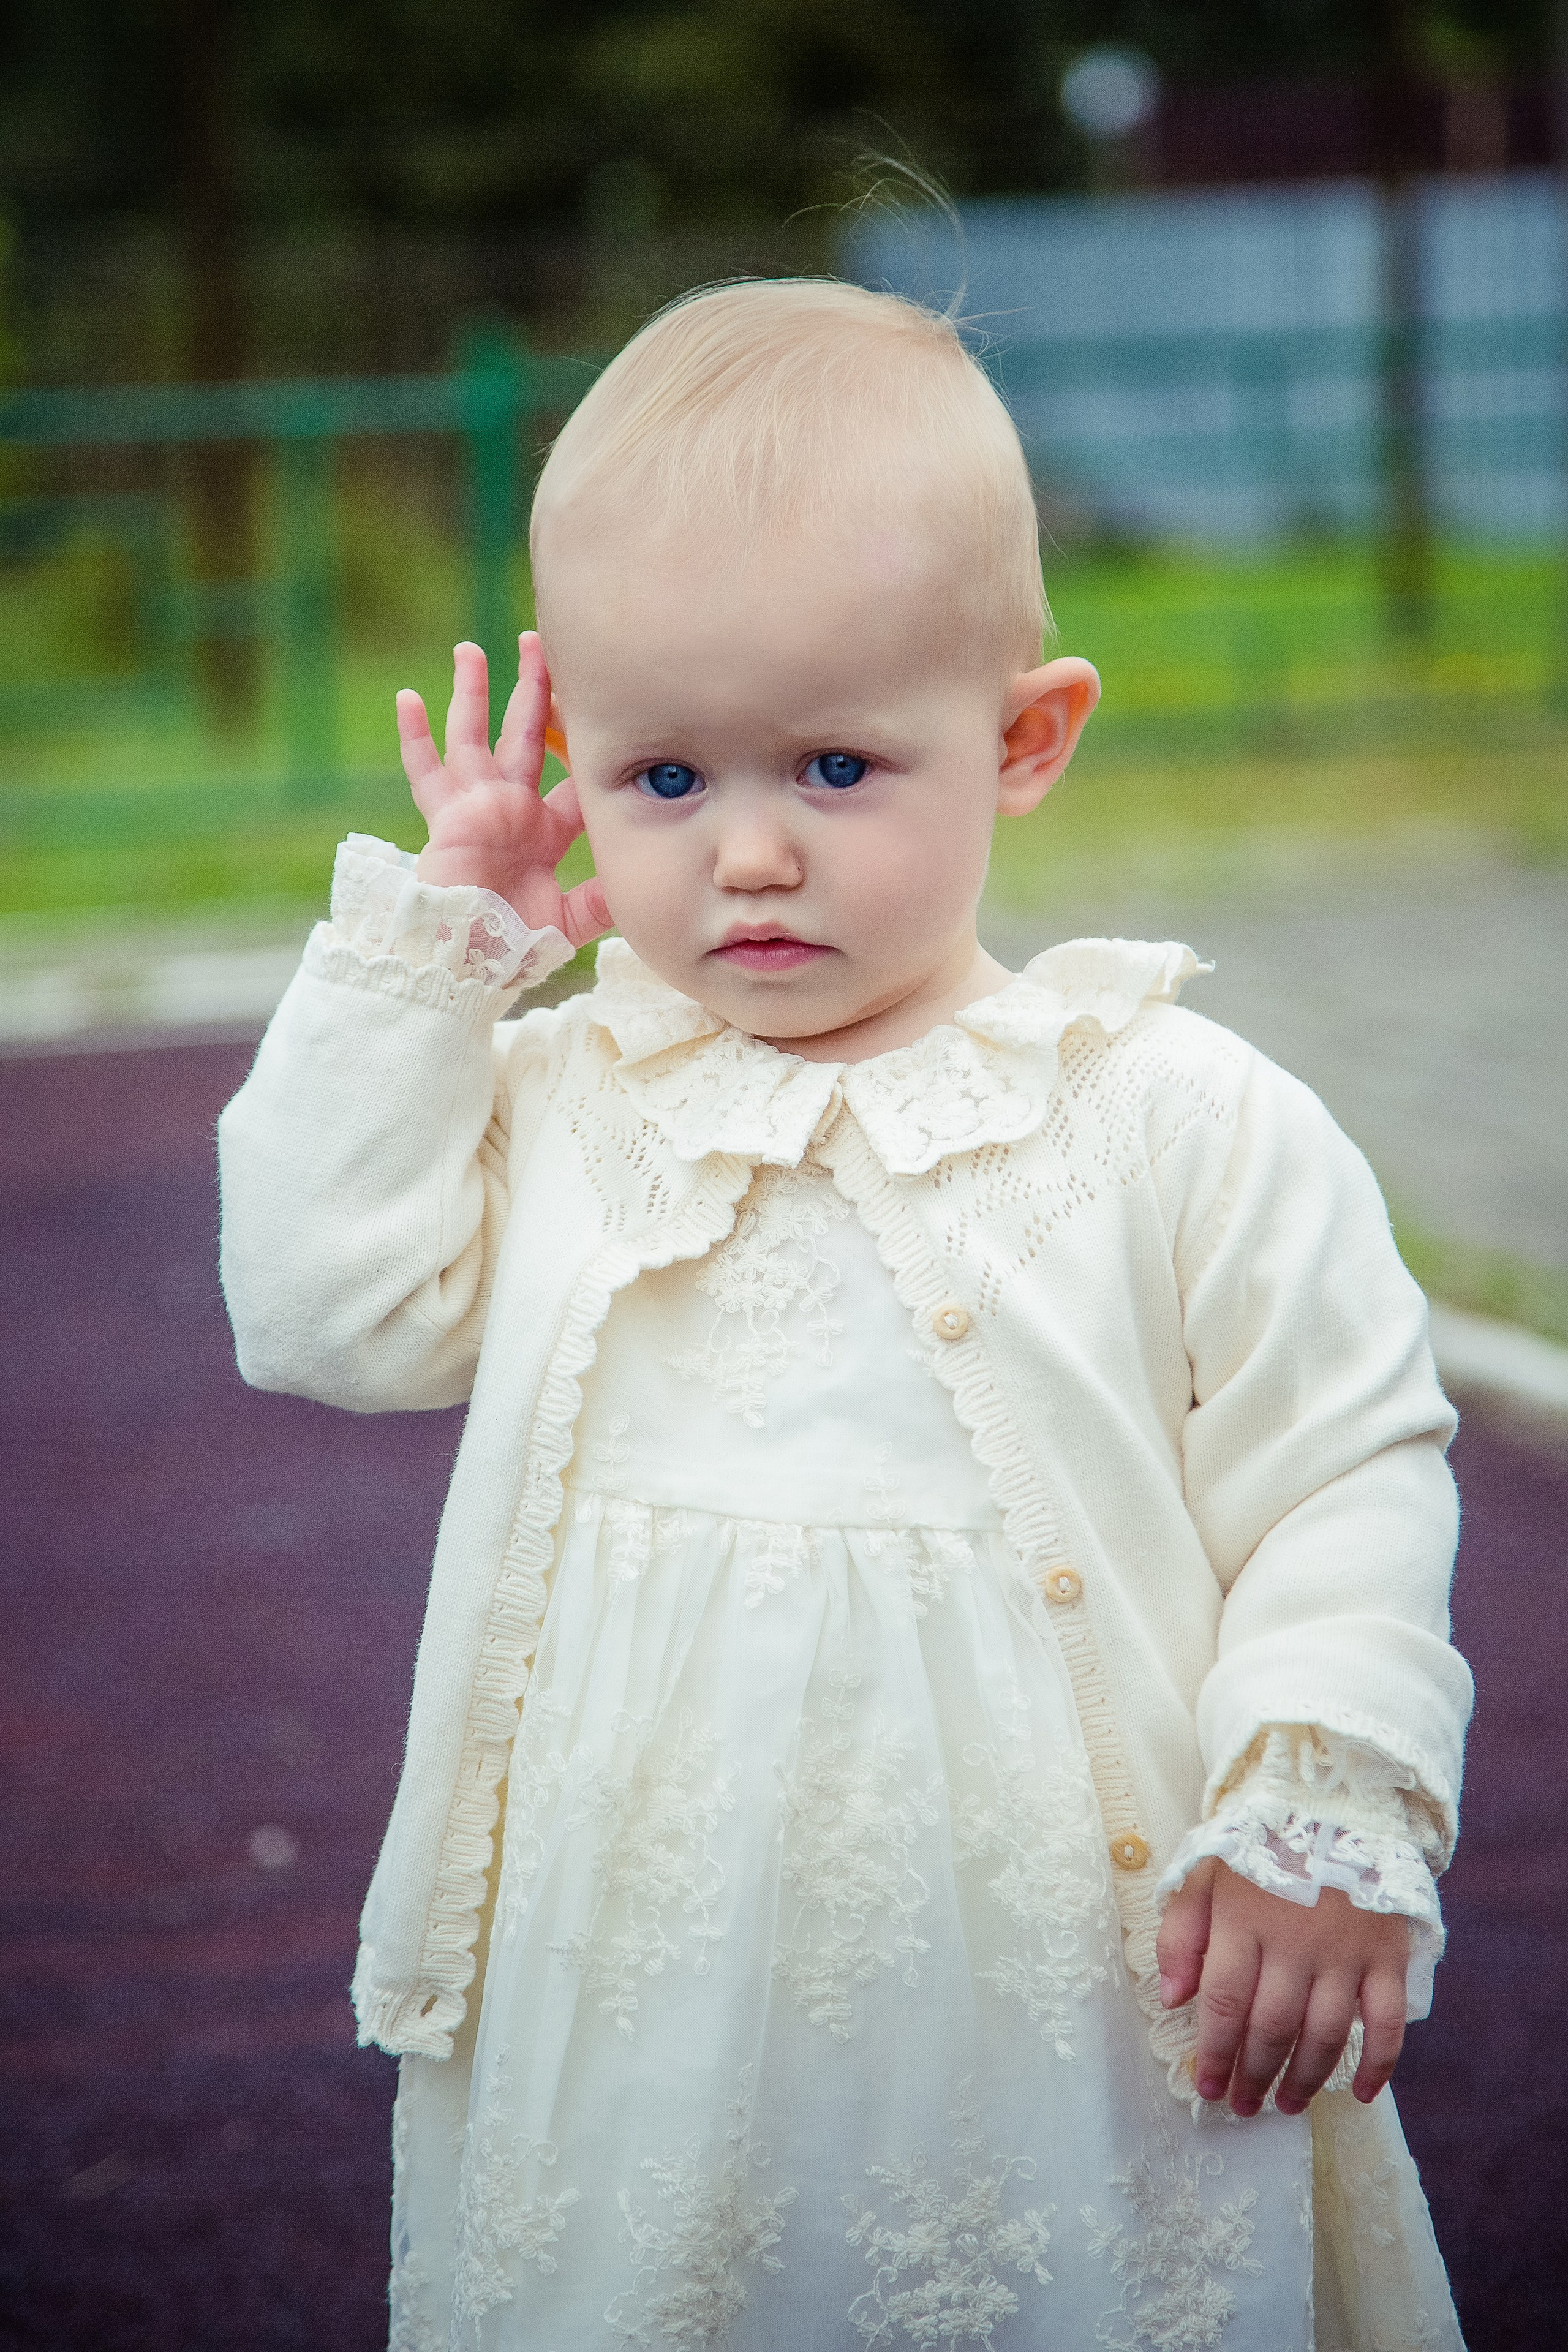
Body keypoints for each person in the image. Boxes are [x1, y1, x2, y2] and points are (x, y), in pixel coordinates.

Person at [217, 279, 1472, 2351]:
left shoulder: (1171, 1117)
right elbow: (317, 1314)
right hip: (636, 1996)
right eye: (662, 777)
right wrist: (434, 958)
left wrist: (1318, 1803)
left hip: (1068, 2003)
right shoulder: (568, 1100)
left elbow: (1345, 1471)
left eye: (831, 763)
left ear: (1026, 739)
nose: (750, 854)